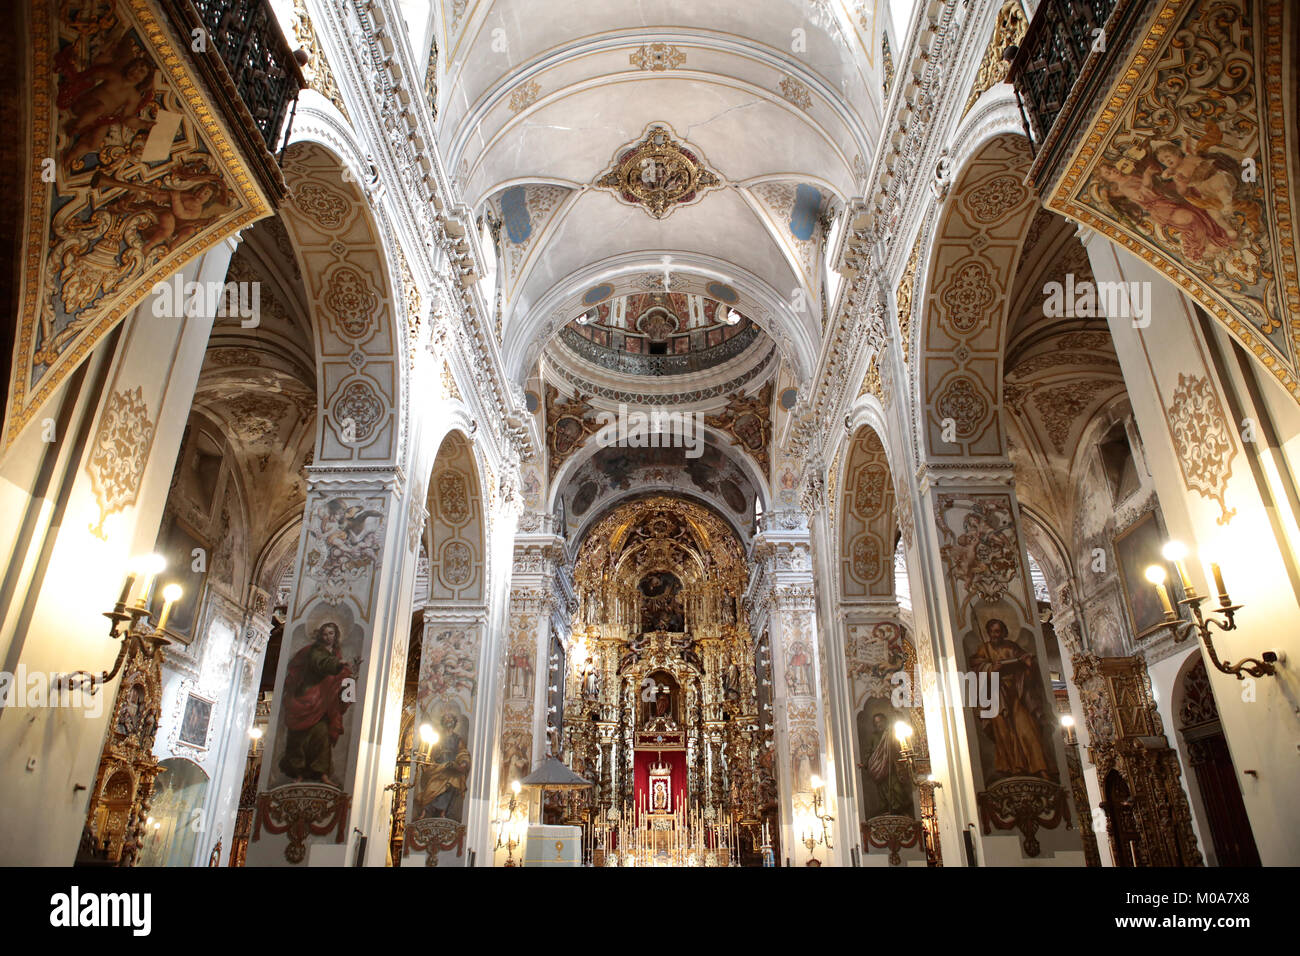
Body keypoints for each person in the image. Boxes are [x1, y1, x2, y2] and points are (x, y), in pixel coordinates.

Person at [969, 618, 1052, 780]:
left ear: (1004, 632)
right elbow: (976, 668)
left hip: (1017, 693)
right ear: (988, 633)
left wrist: (1027, 662)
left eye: (998, 631)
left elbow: (1026, 660)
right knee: (1004, 733)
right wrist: (992, 668)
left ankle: (1040, 768)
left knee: (1027, 730)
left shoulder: (1011, 647)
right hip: (996, 695)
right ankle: (1012, 768)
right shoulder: (983, 649)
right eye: (993, 631)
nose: (995, 635)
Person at [278, 622, 357, 786]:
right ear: (320, 635)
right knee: (299, 736)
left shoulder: (334, 652)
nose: (328, 637)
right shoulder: (316, 651)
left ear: (336, 636)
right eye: (325, 633)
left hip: (325, 701)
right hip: (309, 696)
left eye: (331, 634)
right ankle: (297, 773)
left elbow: (338, 676)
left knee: (322, 733)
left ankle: (320, 772)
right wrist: (338, 665)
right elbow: (320, 663)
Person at [864, 713, 912, 816]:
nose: (878, 724)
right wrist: (865, 764)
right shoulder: (874, 737)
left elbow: (898, 746)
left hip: (892, 764)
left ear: (885, 721)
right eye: (876, 722)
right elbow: (869, 751)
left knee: (896, 786)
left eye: (880, 721)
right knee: (883, 789)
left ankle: (900, 807)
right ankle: (888, 808)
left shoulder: (890, 733)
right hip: (879, 767)